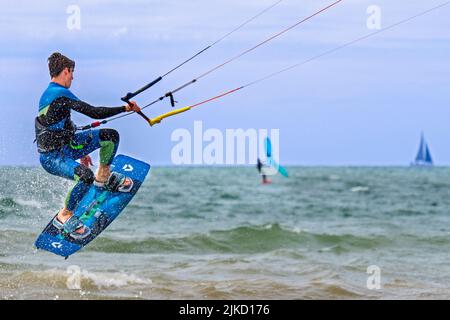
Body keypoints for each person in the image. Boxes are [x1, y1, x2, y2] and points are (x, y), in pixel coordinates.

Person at [35, 52, 141, 240]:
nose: (73, 77)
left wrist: (81, 151)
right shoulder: (58, 93)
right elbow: (94, 112)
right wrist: (125, 108)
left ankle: (104, 177)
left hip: (68, 146)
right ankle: (65, 215)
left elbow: (63, 124)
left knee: (110, 136)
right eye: (72, 72)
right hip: (52, 157)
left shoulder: (57, 94)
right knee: (85, 176)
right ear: (66, 71)